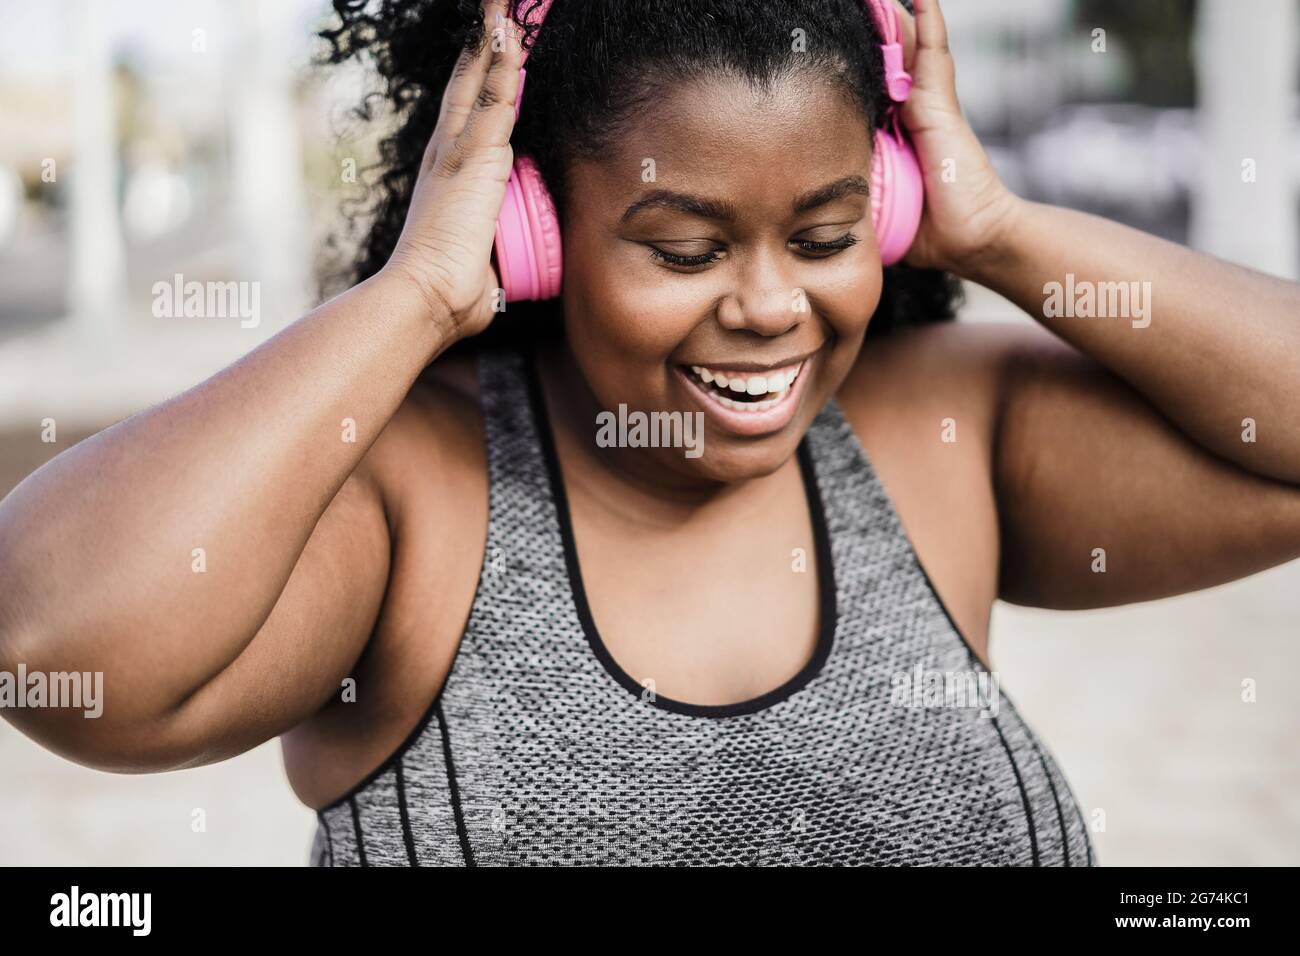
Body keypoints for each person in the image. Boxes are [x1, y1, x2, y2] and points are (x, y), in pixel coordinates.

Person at [2, 0, 1298, 866]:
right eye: (687, 247)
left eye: (829, 234)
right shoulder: (414, 492)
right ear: (537, 228)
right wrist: (418, 292)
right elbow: (54, 642)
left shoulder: (942, 428)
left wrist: (1003, 227)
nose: (770, 306)